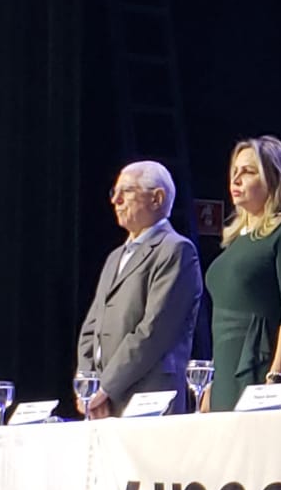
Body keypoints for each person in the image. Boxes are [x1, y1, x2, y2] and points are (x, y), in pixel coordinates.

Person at [76, 160, 203, 417]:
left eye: (126, 191)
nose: (116, 200)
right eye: (114, 192)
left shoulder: (176, 250)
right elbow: (91, 329)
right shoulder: (114, 257)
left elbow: (153, 331)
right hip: (103, 402)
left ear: (157, 199)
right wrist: (88, 387)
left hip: (148, 396)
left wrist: (106, 387)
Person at [199, 136, 281, 413]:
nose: (237, 179)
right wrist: (213, 384)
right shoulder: (236, 240)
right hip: (226, 372)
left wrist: (278, 374)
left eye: (249, 171)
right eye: (235, 171)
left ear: (275, 179)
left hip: (261, 371)